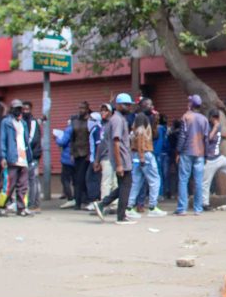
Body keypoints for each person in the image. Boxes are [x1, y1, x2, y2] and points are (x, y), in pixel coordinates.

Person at [93, 94, 135, 225]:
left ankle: (103, 204)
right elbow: (116, 142)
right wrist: (119, 165)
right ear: (118, 105)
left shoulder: (120, 119)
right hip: (121, 159)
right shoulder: (117, 119)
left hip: (123, 158)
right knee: (125, 186)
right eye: (126, 104)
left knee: (124, 186)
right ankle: (120, 216)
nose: (128, 107)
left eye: (129, 105)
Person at [173, 95, 210, 216]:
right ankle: (198, 209)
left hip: (187, 152)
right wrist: (206, 155)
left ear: (191, 105)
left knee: (183, 180)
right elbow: (206, 138)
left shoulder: (186, 117)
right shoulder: (204, 119)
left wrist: (178, 151)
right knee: (198, 181)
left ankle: (182, 209)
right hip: (200, 153)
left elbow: (182, 136)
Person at [0, 100, 35, 217]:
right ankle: (1, 206)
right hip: (11, 157)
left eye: (20, 108)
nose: (19, 111)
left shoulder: (23, 123)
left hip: (23, 158)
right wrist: (3, 156)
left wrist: (29, 156)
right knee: (8, 185)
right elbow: (2, 140)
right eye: (16, 108)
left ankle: (22, 207)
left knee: (23, 185)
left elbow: (26, 141)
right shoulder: (6, 122)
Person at [127, 113, 165, 217]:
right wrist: (142, 157)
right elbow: (140, 141)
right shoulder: (141, 126)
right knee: (155, 181)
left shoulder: (133, 128)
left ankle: (129, 207)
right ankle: (153, 207)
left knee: (136, 183)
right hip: (145, 155)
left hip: (135, 156)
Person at [201, 109, 226, 205]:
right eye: (214, 117)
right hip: (210, 160)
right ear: (210, 118)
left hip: (218, 157)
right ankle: (205, 204)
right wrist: (215, 127)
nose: (216, 119)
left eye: (217, 117)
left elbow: (216, 136)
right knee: (206, 183)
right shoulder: (208, 127)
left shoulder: (218, 126)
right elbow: (208, 138)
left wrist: (223, 135)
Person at [61, 102, 92, 210]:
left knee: (83, 178)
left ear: (87, 109)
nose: (81, 110)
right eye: (80, 108)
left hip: (87, 153)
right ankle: (78, 202)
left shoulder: (90, 121)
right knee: (77, 179)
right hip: (77, 153)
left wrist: (90, 153)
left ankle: (85, 200)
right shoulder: (75, 121)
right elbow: (72, 139)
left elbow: (91, 138)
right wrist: (71, 153)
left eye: (83, 108)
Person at [21, 101, 43, 208]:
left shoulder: (33, 122)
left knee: (32, 179)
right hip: (25, 155)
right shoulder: (22, 121)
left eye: (27, 109)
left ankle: (33, 203)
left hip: (33, 155)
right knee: (30, 180)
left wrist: (24, 148)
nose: (25, 111)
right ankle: (32, 202)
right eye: (23, 109)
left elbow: (32, 139)